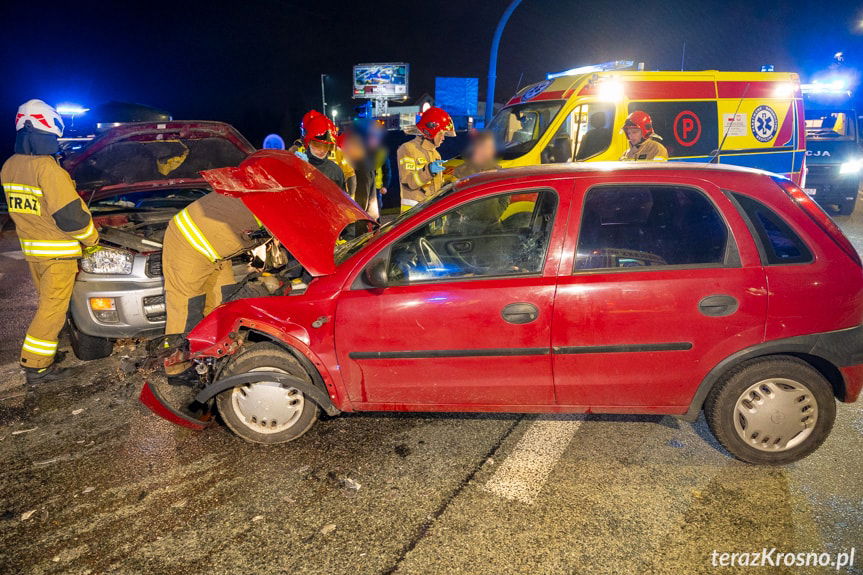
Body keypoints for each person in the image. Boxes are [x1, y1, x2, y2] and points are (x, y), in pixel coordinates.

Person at [1, 100, 99, 383]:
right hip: (58, 253)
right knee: (52, 311)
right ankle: (37, 366)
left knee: (48, 305)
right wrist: (92, 239)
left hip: (34, 251)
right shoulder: (48, 169)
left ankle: (46, 354)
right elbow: (72, 217)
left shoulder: (10, 165)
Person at [161, 191, 264, 383]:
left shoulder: (284, 195)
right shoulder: (280, 198)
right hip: (187, 242)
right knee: (186, 309)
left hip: (217, 251)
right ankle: (177, 370)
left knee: (223, 305)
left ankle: (213, 357)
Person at [397, 106, 455, 211]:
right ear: (430, 131)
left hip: (430, 211)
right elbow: (407, 182)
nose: (443, 138)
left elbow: (434, 186)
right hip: (414, 213)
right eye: (441, 133)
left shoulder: (436, 155)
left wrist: (448, 185)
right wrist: (429, 171)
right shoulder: (407, 149)